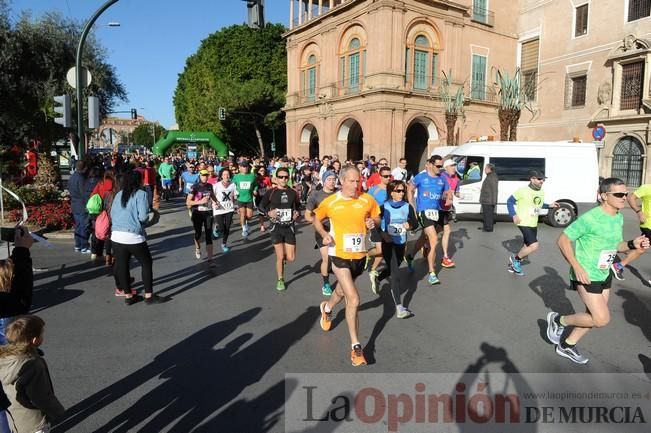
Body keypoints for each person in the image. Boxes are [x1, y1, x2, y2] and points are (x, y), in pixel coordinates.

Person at [546, 178, 650, 364]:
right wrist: (576, 267)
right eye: (618, 194)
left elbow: (616, 246)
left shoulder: (617, 216)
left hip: (604, 272)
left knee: (592, 316)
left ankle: (567, 345)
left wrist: (633, 244)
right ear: (604, 196)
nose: (624, 197)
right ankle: (559, 321)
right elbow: (563, 240)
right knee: (601, 319)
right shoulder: (590, 218)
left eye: (625, 194)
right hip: (586, 274)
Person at [314, 165, 380, 366]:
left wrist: (373, 223)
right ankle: (356, 347)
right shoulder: (331, 202)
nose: (356, 184)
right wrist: (325, 235)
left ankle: (327, 307)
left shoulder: (366, 199)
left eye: (358, 180)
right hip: (339, 255)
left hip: (359, 256)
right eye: (351, 181)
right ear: (341, 181)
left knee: (342, 291)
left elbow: (377, 216)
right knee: (354, 298)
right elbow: (316, 219)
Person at [0, 315, 65, 433]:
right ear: (35, 340)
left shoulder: (5, 358)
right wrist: (56, 411)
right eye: (42, 334)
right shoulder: (33, 365)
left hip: (16, 417)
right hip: (34, 422)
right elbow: (40, 396)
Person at [111, 170, 166, 305]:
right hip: (133, 235)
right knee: (146, 263)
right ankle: (149, 296)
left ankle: (129, 296)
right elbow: (143, 217)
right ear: (140, 181)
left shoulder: (119, 194)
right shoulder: (141, 194)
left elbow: (112, 213)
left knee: (123, 266)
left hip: (116, 235)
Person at [375, 180, 419, 318]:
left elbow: (415, 223)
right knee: (395, 273)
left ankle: (378, 277)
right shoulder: (384, 207)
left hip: (401, 242)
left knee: (396, 265)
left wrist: (410, 225)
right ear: (391, 192)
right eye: (398, 191)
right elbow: (375, 224)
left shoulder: (407, 207)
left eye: (403, 191)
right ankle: (399, 308)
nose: (401, 193)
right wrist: (383, 234)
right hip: (388, 243)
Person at [405, 155, 450, 285]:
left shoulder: (442, 178)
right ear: (430, 164)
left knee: (424, 237)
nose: (440, 169)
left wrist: (449, 198)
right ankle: (432, 273)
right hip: (424, 212)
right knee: (434, 240)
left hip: (437, 211)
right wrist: (412, 205)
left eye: (441, 166)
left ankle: (410, 256)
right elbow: (410, 188)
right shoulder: (421, 177)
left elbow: (447, 192)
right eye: (438, 166)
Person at [506, 170, 558, 276]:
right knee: (534, 246)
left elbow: (538, 204)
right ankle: (515, 259)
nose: (542, 181)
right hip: (523, 221)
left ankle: (513, 267)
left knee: (527, 245)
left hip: (533, 222)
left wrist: (549, 205)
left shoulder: (541, 191)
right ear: (532, 179)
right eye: (539, 179)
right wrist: (514, 215)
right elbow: (510, 201)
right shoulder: (522, 191)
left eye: (543, 179)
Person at [259, 167, 301, 291]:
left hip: (289, 227)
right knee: (280, 256)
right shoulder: (271, 192)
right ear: (276, 178)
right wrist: (268, 213)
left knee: (291, 258)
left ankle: (282, 260)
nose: (284, 179)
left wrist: (297, 214)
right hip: (275, 227)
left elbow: (298, 207)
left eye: (286, 177)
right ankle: (280, 279)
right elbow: (261, 207)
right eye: (281, 177)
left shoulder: (293, 192)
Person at [305, 170, 338, 296]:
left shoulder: (339, 194)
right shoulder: (315, 195)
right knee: (327, 258)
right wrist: (317, 220)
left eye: (334, 179)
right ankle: (326, 283)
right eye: (329, 179)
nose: (332, 182)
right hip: (322, 230)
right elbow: (307, 216)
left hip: (337, 230)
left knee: (339, 258)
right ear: (323, 181)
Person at [609, 183, 651, 280]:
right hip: (648, 225)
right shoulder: (648, 187)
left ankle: (618, 266)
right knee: (641, 247)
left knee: (641, 248)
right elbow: (631, 197)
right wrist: (639, 212)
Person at [367, 165, 392, 293]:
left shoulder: (393, 188)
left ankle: (373, 270)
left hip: (389, 224)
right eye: (385, 176)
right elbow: (366, 205)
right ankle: (367, 255)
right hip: (377, 223)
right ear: (380, 176)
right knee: (381, 249)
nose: (388, 178)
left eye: (389, 176)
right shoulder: (374, 190)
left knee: (383, 250)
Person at [186, 169, 218, 265]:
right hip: (197, 213)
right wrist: (200, 202)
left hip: (208, 212)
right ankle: (197, 248)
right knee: (198, 234)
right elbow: (188, 202)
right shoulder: (194, 187)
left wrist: (216, 202)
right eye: (203, 175)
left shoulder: (209, 186)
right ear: (199, 176)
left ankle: (210, 259)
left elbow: (212, 196)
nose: (205, 177)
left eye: (206, 175)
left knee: (209, 234)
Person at [68, 157, 93, 253]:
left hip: (74, 204)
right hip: (82, 205)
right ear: (84, 168)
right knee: (84, 226)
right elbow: (84, 193)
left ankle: (78, 245)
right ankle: (84, 246)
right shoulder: (81, 178)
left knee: (78, 226)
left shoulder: (73, 177)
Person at [439, 159, 461, 268]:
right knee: (444, 230)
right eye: (452, 166)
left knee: (443, 230)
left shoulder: (456, 178)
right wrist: (446, 196)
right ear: (446, 167)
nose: (454, 168)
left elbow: (456, 191)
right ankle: (445, 257)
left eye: (454, 166)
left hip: (447, 208)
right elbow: (438, 192)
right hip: (437, 207)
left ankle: (445, 257)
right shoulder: (442, 177)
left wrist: (458, 195)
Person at [213, 168, 237, 253]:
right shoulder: (216, 185)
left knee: (227, 228)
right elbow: (212, 196)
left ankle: (224, 244)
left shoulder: (233, 185)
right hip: (219, 209)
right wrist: (215, 203)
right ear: (221, 176)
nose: (226, 176)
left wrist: (236, 204)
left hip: (229, 209)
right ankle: (217, 228)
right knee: (222, 228)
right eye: (224, 174)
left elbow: (235, 195)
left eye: (228, 174)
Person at [232, 161, 258, 239]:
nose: (245, 168)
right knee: (242, 214)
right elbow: (233, 186)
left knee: (249, 216)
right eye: (243, 166)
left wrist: (255, 190)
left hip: (249, 198)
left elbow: (256, 185)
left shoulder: (252, 176)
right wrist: (234, 194)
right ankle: (244, 229)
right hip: (240, 198)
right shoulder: (236, 176)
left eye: (246, 166)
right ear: (239, 168)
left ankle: (246, 224)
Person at [479, 163, 498, 232]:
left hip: (489, 200)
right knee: (486, 214)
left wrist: (494, 201)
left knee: (488, 215)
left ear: (490, 169)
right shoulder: (490, 176)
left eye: (486, 168)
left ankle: (489, 228)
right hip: (487, 199)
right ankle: (486, 226)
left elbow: (494, 189)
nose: (484, 170)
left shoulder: (492, 177)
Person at [254, 166, 272, 233]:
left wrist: (269, 187)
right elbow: (253, 187)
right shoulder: (255, 178)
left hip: (266, 197)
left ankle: (271, 224)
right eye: (261, 170)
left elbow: (270, 186)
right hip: (258, 197)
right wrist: (254, 191)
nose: (263, 172)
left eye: (263, 170)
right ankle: (262, 225)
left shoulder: (267, 178)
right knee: (260, 212)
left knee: (268, 210)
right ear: (258, 171)